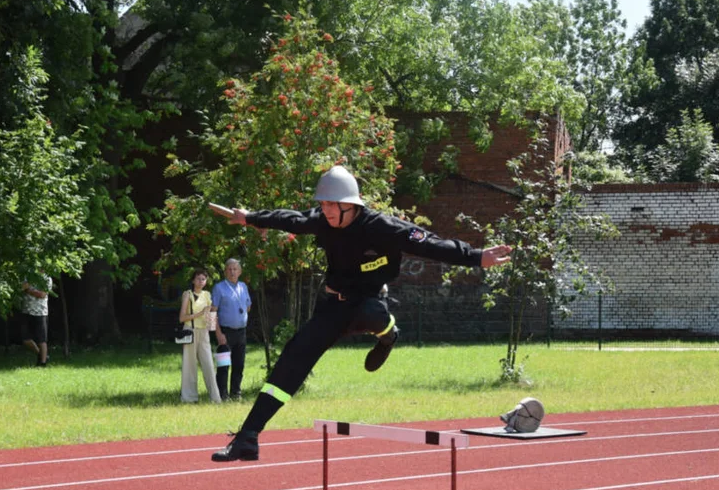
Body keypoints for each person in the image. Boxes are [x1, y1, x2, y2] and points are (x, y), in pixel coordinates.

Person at [208, 165, 512, 462]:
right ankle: (248, 438)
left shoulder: (382, 227)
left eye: (331, 205)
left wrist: (476, 257)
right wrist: (249, 217)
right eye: (323, 204)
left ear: (349, 205)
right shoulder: (324, 221)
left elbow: (430, 244)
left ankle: (388, 334)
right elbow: (292, 219)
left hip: (368, 302)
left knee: (371, 312)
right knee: (291, 360)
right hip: (333, 307)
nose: (325, 210)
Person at [210, 258, 252, 401]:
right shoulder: (219, 287)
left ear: (239, 272)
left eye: (235, 269)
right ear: (225, 271)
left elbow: (248, 306)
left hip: (241, 332)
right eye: (230, 269)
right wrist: (218, 333)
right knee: (223, 366)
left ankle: (236, 393)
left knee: (239, 365)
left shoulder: (243, 286)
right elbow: (212, 312)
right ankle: (222, 395)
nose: (232, 272)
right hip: (225, 332)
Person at [179, 269, 222, 404]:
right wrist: (200, 314)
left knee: (209, 365)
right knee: (189, 365)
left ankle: (215, 398)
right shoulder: (187, 294)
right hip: (190, 331)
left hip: (204, 332)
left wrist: (212, 323)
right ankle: (189, 398)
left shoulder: (207, 295)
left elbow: (210, 315)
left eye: (203, 279)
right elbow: (182, 318)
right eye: (198, 278)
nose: (201, 281)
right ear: (193, 280)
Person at [21, 273, 52, 367]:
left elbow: (42, 294)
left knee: (42, 339)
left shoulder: (47, 279)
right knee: (25, 339)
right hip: (26, 310)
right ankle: (42, 355)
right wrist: (28, 290)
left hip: (40, 312)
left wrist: (28, 290)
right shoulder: (27, 276)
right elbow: (22, 288)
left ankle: (42, 363)